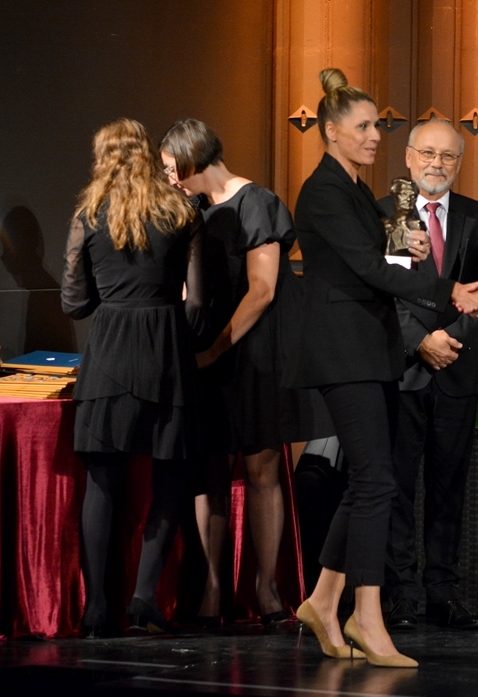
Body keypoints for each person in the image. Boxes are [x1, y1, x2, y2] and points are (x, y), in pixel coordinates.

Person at [286, 68, 478, 668]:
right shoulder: (324, 191)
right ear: (331, 131)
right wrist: (449, 289)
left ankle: (324, 601)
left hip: (368, 349)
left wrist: (413, 255)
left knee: (368, 481)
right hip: (343, 350)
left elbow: (385, 262)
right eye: (363, 126)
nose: (375, 135)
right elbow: (369, 270)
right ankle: (367, 617)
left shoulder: (354, 188)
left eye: (377, 125)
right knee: (378, 481)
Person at [160, 118, 321, 628]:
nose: (169, 178)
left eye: (171, 168)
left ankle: (266, 589)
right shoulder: (193, 210)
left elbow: (263, 290)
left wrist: (214, 351)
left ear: (192, 158)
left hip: (255, 352)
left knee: (260, 471)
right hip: (208, 350)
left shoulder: (257, 203)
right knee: (208, 471)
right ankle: (212, 589)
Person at [61, 118, 204, 637]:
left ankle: (98, 606)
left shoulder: (88, 215)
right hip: (167, 353)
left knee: (102, 482)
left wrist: (114, 296)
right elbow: (198, 302)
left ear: (102, 159)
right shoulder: (182, 211)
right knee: (170, 477)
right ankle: (144, 596)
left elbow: (74, 302)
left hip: (108, 355)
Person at [381, 119, 478, 631]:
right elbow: (386, 291)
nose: (437, 164)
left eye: (448, 156)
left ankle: (443, 592)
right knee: (396, 489)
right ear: (409, 157)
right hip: (404, 370)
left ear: (459, 163)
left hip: (457, 368)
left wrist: (450, 340)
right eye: (428, 153)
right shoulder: (390, 213)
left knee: (449, 488)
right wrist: (420, 341)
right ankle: (401, 595)